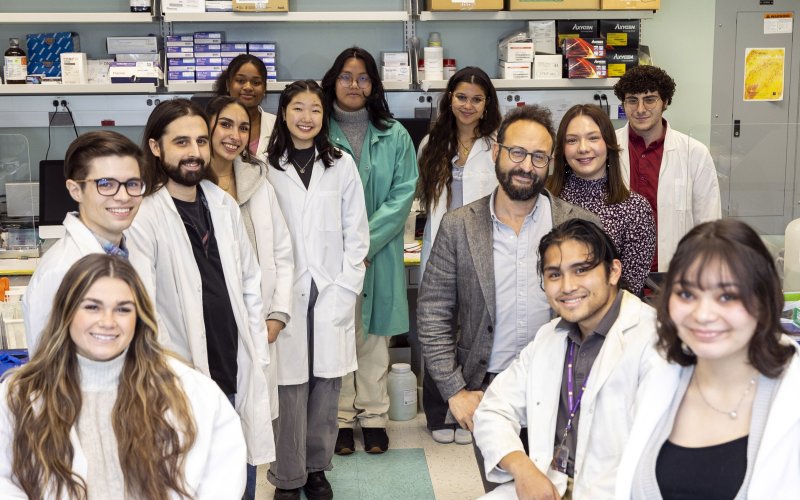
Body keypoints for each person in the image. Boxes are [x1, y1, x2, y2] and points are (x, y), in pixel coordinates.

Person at [417, 104, 600, 492]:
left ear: (550, 164)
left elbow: (601, 313)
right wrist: (455, 391)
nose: (525, 165)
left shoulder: (577, 226)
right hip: (490, 391)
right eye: (517, 152)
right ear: (497, 151)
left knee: (568, 489)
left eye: (538, 157)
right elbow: (433, 311)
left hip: (565, 385)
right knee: (504, 488)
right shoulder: (459, 226)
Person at [1, 254, 247, 499]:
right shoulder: (19, 395)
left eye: (122, 309)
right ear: (66, 312)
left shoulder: (192, 392)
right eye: (92, 307)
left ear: (138, 319)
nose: (107, 322)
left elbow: (222, 479)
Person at [127, 98, 272, 500]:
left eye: (201, 141)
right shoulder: (144, 216)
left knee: (240, 484)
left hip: (235, 371)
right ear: (156, 147)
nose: (194, 153)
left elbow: (249, 284)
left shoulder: (222, 205)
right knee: (193, 485)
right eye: (181, 142)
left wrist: (257, 352)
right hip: (182, 381)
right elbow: (143, 310)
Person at [472, 219, 660, 500]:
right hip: (550, 485)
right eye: (554, 275)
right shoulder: (549, 338)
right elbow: (493, 410)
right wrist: (523, 470)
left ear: (613, 272)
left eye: (581, 270)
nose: (568, 286)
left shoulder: (653, 340)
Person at [616, 219, 799, 499]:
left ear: (764, 301)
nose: (703, 315)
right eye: (687, 294)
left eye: (727, 296)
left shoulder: (791, 398)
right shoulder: (656, 381)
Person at [265, 80, 369, 500]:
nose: (306, 117)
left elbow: (356, 233)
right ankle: (287, 476)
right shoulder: (263, 165)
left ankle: (316, 468)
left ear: (323, 116)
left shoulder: (340, 163)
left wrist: (345, 287)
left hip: (330, 291)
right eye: (298, 108)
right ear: (284, 113)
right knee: (288, 389)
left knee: (326, 388)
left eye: (315, 109)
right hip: (285, 291)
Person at [321, 46, 418, 455]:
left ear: (374, 84)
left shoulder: (393, 134)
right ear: (333, 81)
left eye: (363, 78)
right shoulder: (317, 130)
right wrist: (347, 248)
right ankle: (341, 419)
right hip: (332, 255)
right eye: (346, 76)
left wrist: (364, 244)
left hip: (377, 254)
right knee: (338, 335)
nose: (354, 85)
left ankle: (375, 417)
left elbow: (403, 194)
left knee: (375, 336)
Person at [416, 66, 502, 445]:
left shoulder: (497, 145)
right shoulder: (432, 144)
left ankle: (469, 414)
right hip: (440, 248)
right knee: (438, 332)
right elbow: (422, 199)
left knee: (475, 333)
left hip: (483, 250)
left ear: (487, 105)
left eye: (476, 99)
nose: (468, 105)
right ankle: (439, 413)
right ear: (450, 99)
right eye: (461, 97)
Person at [205, 95, 294, 426]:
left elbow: (283, 253)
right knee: (216, 425)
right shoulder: (191, 187)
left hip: (259, 319)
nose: (234, 135)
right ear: (207, 127)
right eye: (225, 124)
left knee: (253, 427)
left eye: (243, 127)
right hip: (215, 323)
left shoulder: (258, 180)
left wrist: (278, 315)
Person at [23, 130, 147, 354]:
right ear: (75, 190)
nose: (124, 196)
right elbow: (48, 369)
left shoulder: (131, 253)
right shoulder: (60, 270)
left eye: (132, 183)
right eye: (106, 184)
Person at [613, 64, 721, 272]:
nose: (640, 109)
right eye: (632, 100)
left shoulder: (694, 153)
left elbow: (709, 225)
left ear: (666, 102)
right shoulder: (607, 149)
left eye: (650, 99)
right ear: (624, 104)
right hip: (619, 275)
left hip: (675, 274)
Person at [547, 104, 656, 295]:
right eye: (572, 140)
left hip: (609, 322)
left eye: (593, 138)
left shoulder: (635, 209)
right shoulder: (545, 201)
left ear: (608, 144)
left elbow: (629, 291)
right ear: (562, 150)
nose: (583, 148)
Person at [214, 53, 277, 160]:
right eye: (240, 81)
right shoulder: (212, 124)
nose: (248, 87)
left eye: (256, 82)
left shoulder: (277, 126)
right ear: (228, 85)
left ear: (264, 88)